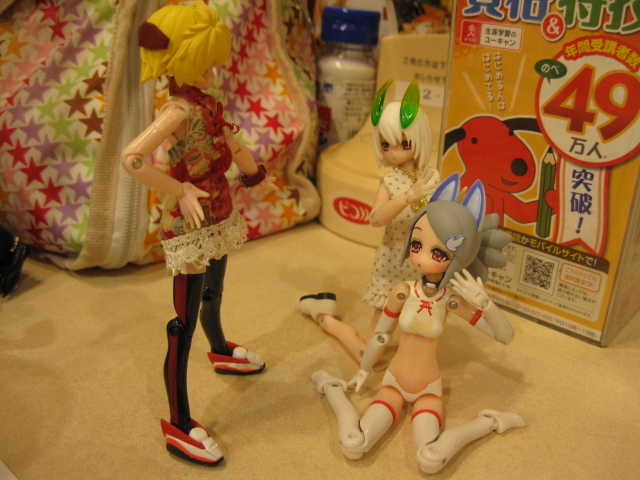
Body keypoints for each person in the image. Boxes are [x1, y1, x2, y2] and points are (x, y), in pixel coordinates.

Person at [121, 1, 276, 466]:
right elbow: (133, 159)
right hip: (190, 219)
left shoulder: (206, 102)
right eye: (205, 63)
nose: (213, 72)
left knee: (215, 290)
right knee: (180, 324)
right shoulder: (175, 110)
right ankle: (179, 422)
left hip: (219, 207)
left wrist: (255, 174)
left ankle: (220, 347)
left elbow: (228, 139)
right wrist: (180, 188)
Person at [311, 173, 524, 474]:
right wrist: (364, 369)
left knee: (430, 459)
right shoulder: (402, 292)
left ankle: (488, 421)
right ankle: (333, 388)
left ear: (459, 256)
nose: (422, 258)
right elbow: (381, 335)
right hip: (392, 384)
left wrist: (486, 304)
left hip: (428, 390)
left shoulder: (450, 301)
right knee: (354, 444)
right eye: (416, 244)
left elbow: (504, 337)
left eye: (438, 252)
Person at [300, 80, 440, 362]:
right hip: (394, 259)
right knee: (381, 325)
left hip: (426, 262)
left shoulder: (433, 176)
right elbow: (375, 219)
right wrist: (407, 197)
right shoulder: (390, 180)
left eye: (404, 143)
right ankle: (330, 322)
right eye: (386, 144)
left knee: (420, 316)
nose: (394, 152)